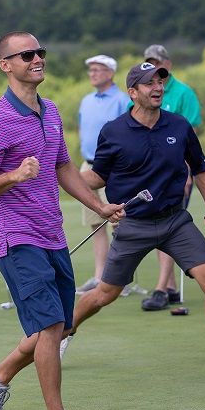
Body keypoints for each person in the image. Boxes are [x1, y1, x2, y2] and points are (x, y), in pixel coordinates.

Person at [60, 61, 205, 378]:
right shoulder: (114, 131)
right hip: (133, 225)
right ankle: (66, 329)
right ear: (133, 92)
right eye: (149, 83)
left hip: (175, 222)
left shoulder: (178, 125)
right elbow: (99, 176)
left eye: (160, 81)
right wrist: (62, 177)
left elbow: (199, 167)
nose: (157, 87)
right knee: (106, 293)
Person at [0, 31, 124, 410]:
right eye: (26, 55)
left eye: (40, 52)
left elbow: (64, 168)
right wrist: (15, 176)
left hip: (52, 234)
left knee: (57, 326)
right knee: (52, 323)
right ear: (6, 65)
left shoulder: (51, 110)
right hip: (16, 239)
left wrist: (99, 206)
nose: (37, 58)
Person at [139, 44, 203, 311]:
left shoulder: (183, 93)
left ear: (168, 65)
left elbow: (191, 137)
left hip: (177, 174)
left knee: (166, 228)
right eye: (149, 63)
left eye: (158, 64)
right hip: (150, 175)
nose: (155, 69)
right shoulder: (144, 92)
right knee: (158, 227)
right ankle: (172, 288)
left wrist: (188, 172)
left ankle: (161, 289)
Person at [74, 55, 129, 296]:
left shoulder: (122, 100)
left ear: (110, 73)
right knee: (96, 223)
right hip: (88, 166)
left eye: (98, 70)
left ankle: (121, 279)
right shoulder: (86, 101)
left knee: (118, 222)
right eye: (91, 70)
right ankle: (100, 276)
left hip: (114, 167)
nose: (93, 73)